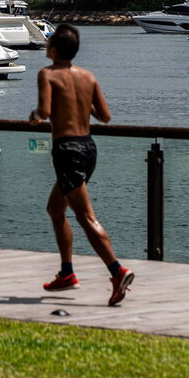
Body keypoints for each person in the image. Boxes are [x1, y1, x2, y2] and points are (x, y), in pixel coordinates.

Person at [29, 22, 134, 306]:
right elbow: (106, 116)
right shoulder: (88, 77)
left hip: (68, 149)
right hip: (88, 148)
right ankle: (67, 273)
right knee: (55, 208)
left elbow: (45, 110)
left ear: (53, 49)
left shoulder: (47, 74)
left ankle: (117, 270)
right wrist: (79, 103)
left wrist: (35, 116)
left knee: (86, 216)